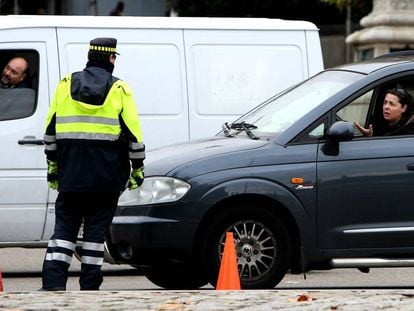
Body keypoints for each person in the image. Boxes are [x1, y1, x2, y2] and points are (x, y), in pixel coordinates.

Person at [41, 37, 145, 291]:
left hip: (71, 176)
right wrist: (137, 170)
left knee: (63, 233)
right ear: (111, 58)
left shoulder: (65, 85)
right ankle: (89, 287)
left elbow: (50, 132)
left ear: (89, 56)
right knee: (95, 236)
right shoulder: (119, 89)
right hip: (106, 181)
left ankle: (53, 284)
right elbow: (134, 136)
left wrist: (54, 170)